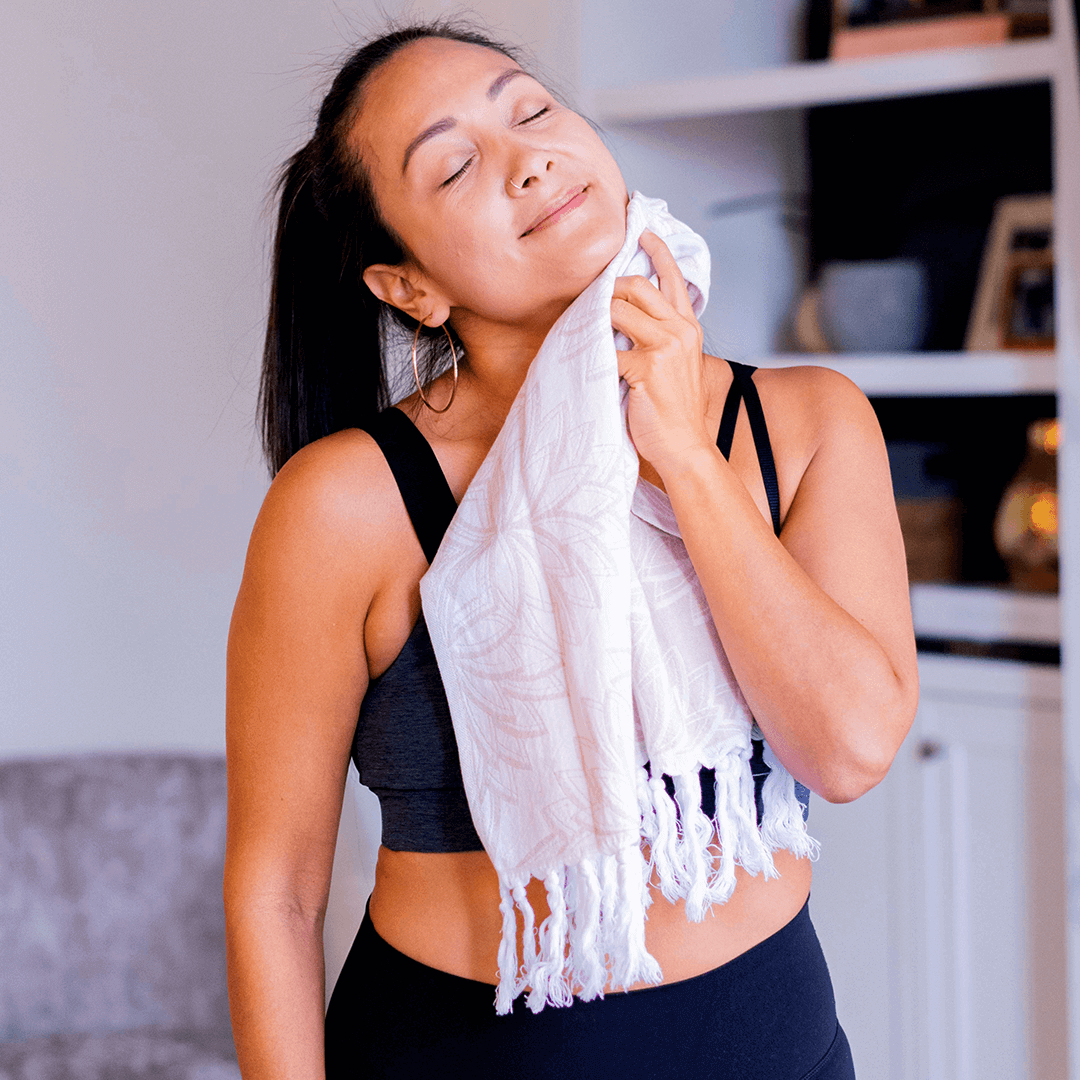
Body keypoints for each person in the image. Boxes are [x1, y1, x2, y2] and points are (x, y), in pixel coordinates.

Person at [224, 20, 918, 1080]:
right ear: (407, 288)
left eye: (532, 109)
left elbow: (852, 747)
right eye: (456, 165)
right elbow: (276, 890)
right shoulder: (346, 506)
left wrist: (684, 457)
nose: (528, 159)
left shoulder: (808, 422)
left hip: (779, 1047)